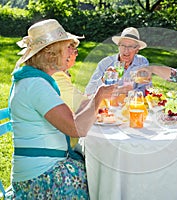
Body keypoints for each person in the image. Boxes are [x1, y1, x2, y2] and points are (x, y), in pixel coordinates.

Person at [9, 19, 116, 199]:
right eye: (68, 47)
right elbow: (77, 128)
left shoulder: (34, 80)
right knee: (104, 180)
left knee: (99, 173)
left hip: (43, 168)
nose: (73, 52)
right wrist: (98, 97)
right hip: (40, 177)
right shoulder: (36, 85)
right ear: (51, 53)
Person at [85, 27, 151, 96]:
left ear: (137, 50)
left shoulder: (142, 62)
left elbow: (145, 89)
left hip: (132, 105)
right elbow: (89, 91)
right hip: (109, 105)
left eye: (131, 46)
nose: (126, 50)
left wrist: (129, 93)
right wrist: (104, 79)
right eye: (123, 45)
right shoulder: (105, 63)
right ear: (118, 46)